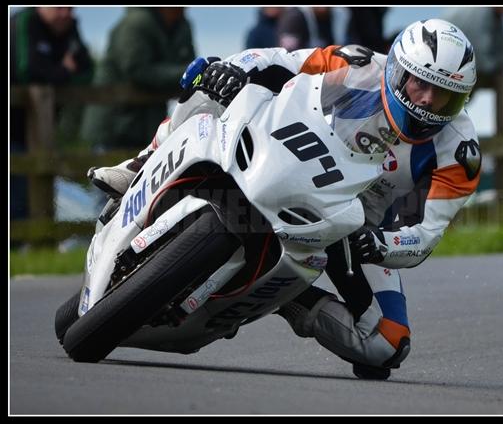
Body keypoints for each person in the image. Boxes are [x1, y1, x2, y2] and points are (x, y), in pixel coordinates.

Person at [87, 19, 481, 380]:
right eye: (420, 84)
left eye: (445, 95)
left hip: (350, 226)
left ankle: (288, 296)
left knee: (386, 345)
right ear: (398, 71)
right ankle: (141, 164)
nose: (428, 100)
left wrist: (381, 244)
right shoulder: (357, 65)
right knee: (211, 80)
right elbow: (277, 59)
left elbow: (427, 234)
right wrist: (235, 68)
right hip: (286, 154)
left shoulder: (460, 151)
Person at [10, 7, 94, 221]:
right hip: (15, 128)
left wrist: (54, 74)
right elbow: (27, 71)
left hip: (41, 131)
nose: (65, 13)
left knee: (34, 193)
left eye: (69, 8)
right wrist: (64, 70)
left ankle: (30, 245)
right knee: (18, 195)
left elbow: (87, 71)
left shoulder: (69, 26)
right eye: (58, 7)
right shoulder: (25, 22)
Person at [80, 7, 195, 150]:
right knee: (106, 170)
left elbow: (189, 66)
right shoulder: (137, 22)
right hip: (114, 127)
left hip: (148, 126)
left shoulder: (182, 25)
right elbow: (137, 70)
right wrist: (186, 73)